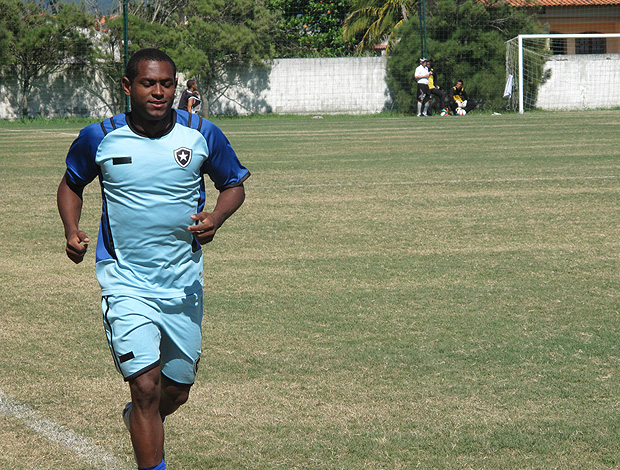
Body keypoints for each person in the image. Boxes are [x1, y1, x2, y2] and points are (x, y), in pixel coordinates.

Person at [57, 48, 249, 470]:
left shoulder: (201, 133)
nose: (159, 92)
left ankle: (139, 423)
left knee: (174, 391)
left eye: (166, 83)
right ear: (128, 87)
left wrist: (217, 216)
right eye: (148, 83)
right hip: (125, 280)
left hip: (182, 284)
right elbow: (71, 183)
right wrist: (72, 231)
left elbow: (233, 183)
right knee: (144, 386)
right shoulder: (99, 137)